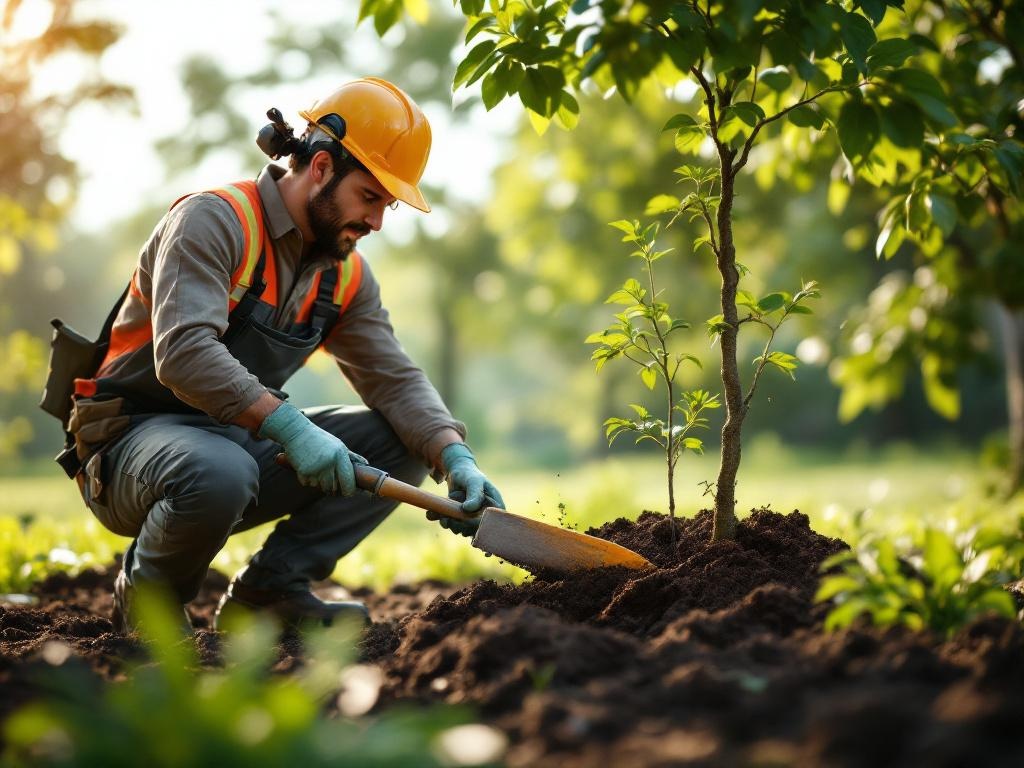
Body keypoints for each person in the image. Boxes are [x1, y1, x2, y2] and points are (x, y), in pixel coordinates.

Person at [64, 77, 503, 634]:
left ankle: (269, 594)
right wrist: (291, 429)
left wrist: (453, 455)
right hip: (127, 444)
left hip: (232, 441)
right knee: (219, 470)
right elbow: (183, 353)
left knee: (400, 436)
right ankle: (147, 603)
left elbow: (393, 380)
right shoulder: (214, 221)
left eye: (387, 205)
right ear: (320, 167)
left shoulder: (344, 274)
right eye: (370, 197)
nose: (377, 222)